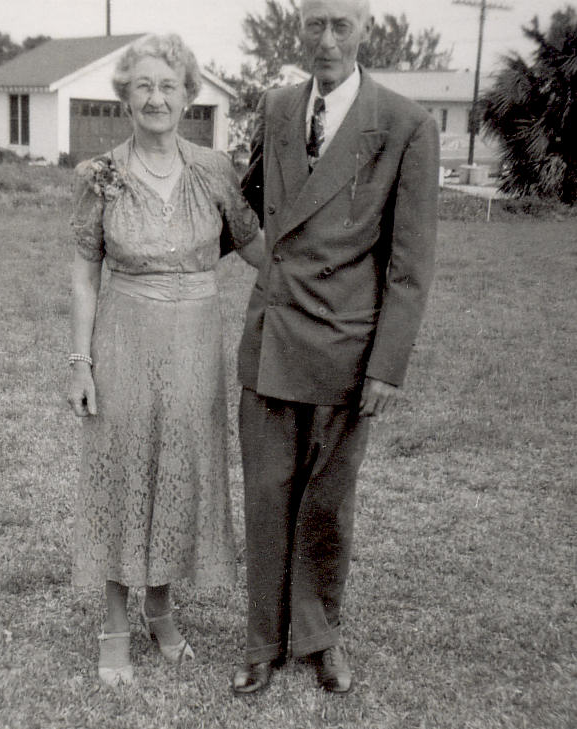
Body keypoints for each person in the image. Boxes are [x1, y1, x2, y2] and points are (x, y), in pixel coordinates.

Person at [232, 0, 439, 695]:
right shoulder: (277, 105)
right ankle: (263, 641)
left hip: (346, 351)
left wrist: (387, 365)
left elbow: (410, 265)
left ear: (364, 30)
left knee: (326, 504)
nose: (326, 40)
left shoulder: (408, 124)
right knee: (265, 496)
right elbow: (248, 201)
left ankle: (319, 639)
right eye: (315, 23)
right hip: (272, 339)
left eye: (340, 25)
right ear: (301, 30)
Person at [67, 33, 261, 687]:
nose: (156, 97)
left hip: (195, 348)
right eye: (143, 85)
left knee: (178, 472)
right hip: (123, 342)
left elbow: (256, 246)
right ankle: (114, 624)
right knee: (125, 477)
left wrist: (330, 269)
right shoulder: (98, 175)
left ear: (188, 96)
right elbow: (83, 272)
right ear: (125, 94)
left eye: (168, 85)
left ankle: (161, 608)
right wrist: (80, 361)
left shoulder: (214, 169)